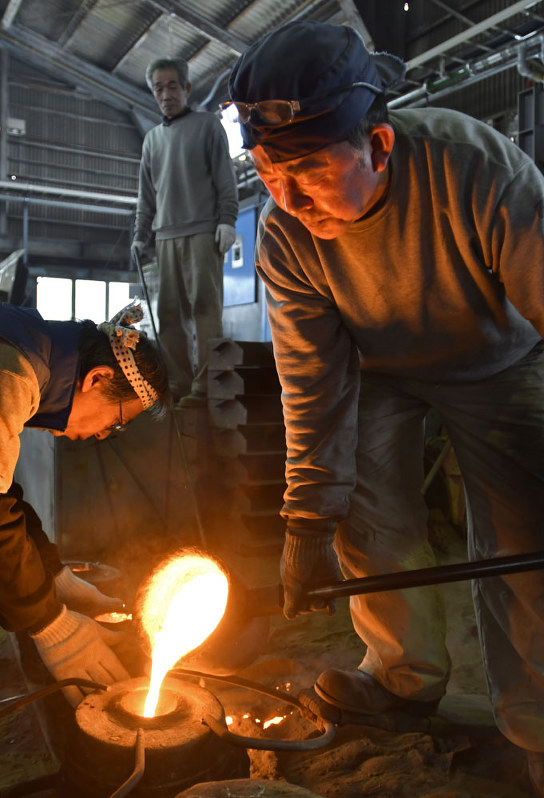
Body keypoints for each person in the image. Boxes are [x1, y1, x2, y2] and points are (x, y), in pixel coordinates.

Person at [226, 20, 544, 796]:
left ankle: (536, 723)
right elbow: (314, 385)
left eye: (308, 169)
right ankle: (404, 677)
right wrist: (308, 521)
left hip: (496, 356)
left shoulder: (476, 168)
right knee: (368, 513)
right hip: (378, 374)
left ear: (380, 143)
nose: (290, 199)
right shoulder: (287, 239)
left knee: (525, 527)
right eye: (269, 173)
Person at [0, 299, 169, 706]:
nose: (100, 435)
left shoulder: (29, 346)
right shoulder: (13, 373)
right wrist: (51, 626)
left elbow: (4, 496)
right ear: (97, 378)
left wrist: (56, 575)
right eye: (114, 422)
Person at [132, 57, 239, 407]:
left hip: (202, 233)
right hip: (165, 237)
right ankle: (178, 386)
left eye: (173, 86)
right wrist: (139, 234)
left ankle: (211, 387)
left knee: (206, 310)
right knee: (168, 317)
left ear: (187, 88)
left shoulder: (208, 126)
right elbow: (146, 196)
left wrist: (228, 219)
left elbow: (226, 178)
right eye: (159, 88)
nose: (166, 94)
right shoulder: (151, 142)